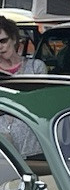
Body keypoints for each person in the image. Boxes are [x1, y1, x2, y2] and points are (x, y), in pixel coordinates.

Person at [0, 16, 47, 159]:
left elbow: (41, 104)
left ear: (14, 39)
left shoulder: (35, 67)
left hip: (32, 146)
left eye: (3, 41)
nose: (0, 46)